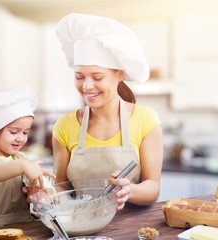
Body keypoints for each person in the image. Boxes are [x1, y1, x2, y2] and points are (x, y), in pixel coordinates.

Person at [51, 13, 163, 210]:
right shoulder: (64, 125)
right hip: (81, 227)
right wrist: (67, 208)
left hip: (128, 229)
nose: (87, 86)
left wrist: (130, 191)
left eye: (97, 77)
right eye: (79, 76)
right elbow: (60, 185)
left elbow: (152, 186)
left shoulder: (146, 119)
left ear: (119, 74)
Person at [0, 86, 54, 229]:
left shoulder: (20, 158)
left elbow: (35, 200)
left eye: (25, 133)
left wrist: (38, 196)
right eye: (14, 132)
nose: (20, 138)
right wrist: (22, 166)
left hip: (24, 225)